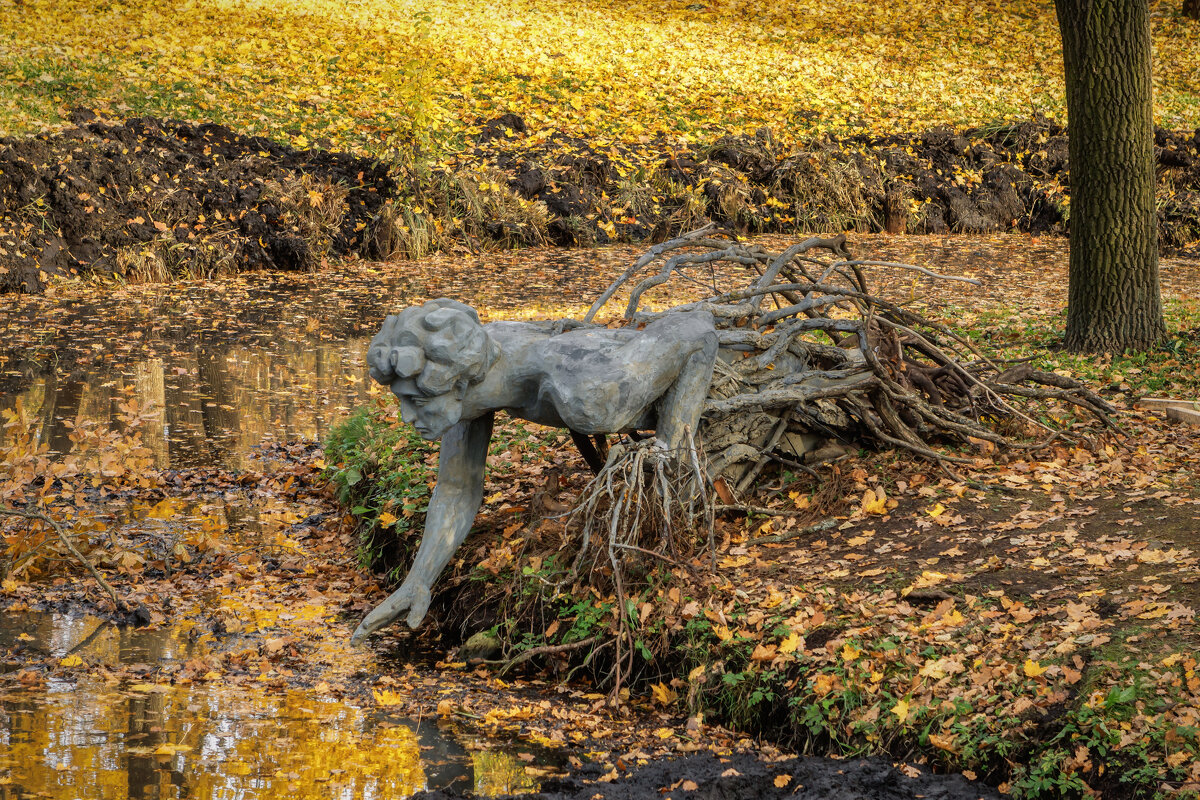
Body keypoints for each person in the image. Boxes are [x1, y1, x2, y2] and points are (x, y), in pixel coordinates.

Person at [351, 298, 717, 642]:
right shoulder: (469, 373)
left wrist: (675, 457)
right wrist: (418, 581)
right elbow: (456, 488)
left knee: (593, 411)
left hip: (604, 373)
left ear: (459, 385)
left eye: (417, 402)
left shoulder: (585, 395)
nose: (406, 417)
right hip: (589, 358)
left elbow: (697, 335)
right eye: (403, 400)